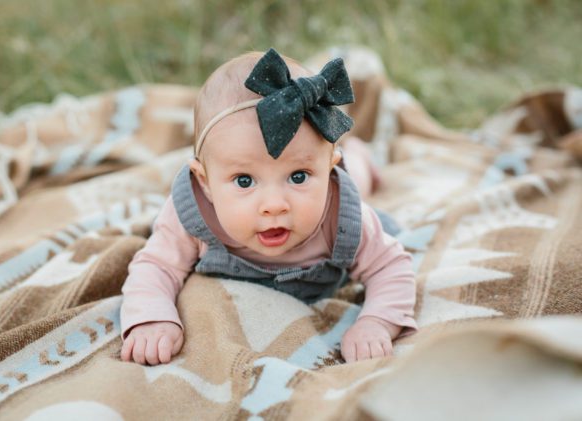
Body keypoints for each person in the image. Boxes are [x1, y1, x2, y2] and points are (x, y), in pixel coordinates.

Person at [120, 48, 417, 366]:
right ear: (204, 181)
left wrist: (376, 322)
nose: (274, 205)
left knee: (355, 179)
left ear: (329, 169)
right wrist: (151, 317)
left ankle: (357, 155)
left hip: (341, 186)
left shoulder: (342, 214)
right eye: (245, 181)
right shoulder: (191, 214)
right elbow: (157, 266)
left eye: (298, 176)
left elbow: (391, 267)